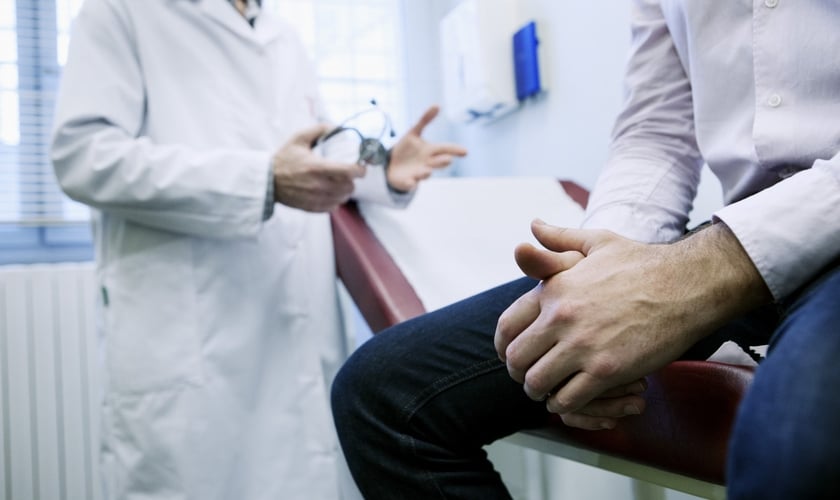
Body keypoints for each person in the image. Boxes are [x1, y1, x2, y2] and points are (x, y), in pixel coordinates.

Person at [331, 1, 840, 498]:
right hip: (734, 235)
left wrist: (713, 265)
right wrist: (594, 277)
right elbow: (655, 132)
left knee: (799, 442)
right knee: (383, 396)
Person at [50, 0, 466, 499]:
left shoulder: (283, 36)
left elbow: (314, 159)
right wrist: (262, 178)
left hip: (294, 321)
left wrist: (381, 170)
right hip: (190, 335)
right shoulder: (121, 12)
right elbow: (83, 157)